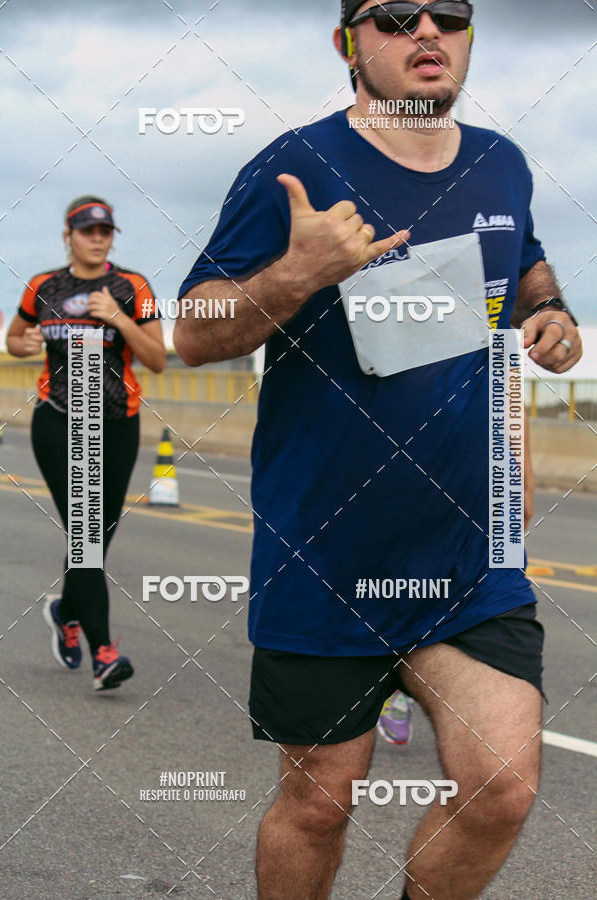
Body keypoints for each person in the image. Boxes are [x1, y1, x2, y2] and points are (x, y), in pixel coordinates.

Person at [174, 2, 582, 897]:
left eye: (450, 14)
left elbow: (526, 261)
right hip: (325, 554)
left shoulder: (499, 162)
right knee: (318, 802)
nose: (427, 31)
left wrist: (549, 312)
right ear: (349, 44)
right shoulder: (297, 165)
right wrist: (300, 271)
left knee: (502, 790)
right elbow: (194, 332)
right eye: (395, 16)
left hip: (470, 556)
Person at [7, 196, 166, 691]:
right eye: (87, 230)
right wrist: (24, 345)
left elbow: (157, 358)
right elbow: (15, 337)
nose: (97, 238)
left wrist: (118, 320)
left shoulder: (132, 286)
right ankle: (104, 653)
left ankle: (65, 611)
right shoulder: (44, 286)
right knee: (86, 536)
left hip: (117, 423)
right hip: (59, 420)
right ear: (68, 236)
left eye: (105, 231)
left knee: (96, 537)